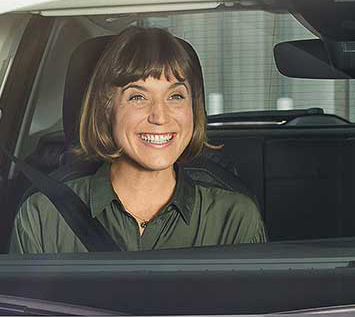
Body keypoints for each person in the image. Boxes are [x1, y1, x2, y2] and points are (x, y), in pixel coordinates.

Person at [10, 27, 267, 253]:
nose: (160, 116)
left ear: (194, 109)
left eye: (175, 96)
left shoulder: (235, 216)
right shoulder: (44, 215)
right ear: (106, 109)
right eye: (138, 97)